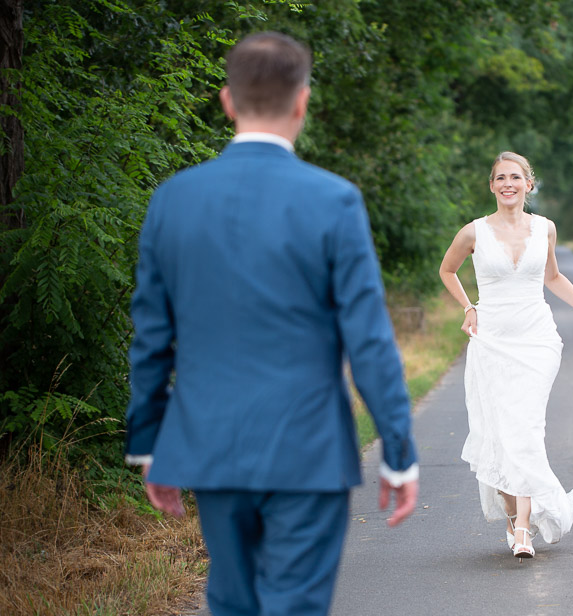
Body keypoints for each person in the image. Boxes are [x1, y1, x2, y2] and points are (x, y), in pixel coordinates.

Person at [124, 32, 418, 616]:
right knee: (296, 605)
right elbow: (368, 340)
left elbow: (151, 337)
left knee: (232, 603)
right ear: (302, 102)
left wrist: (149, 443)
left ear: (227, 101)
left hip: (211, 444)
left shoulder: (173, 200)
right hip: (308, 448)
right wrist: (398, 450)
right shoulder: (334, 200)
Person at [439, 151, 573, 559]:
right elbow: (447, 270)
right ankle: (513, 515)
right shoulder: (473, 232)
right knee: (497, 433)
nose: (508, 184)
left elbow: (553, 277)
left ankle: (525, 528)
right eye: (500, 178)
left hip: (537, 341)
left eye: (516, 177)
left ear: (529, 183)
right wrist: (467, 306)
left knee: (525, 429)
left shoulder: (545, 228)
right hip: (492, 340)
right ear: (491, 186)